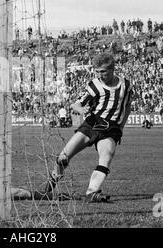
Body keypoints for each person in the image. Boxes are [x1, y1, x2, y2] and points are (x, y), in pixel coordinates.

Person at [44, 53, 133, 202]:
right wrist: (81, 110)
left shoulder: (126, 85)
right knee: (62, 158)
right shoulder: (94, 85)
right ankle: (52, 183)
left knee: (106, 156)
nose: (99, 75)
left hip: (110, 129)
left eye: (103, 71)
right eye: (97, 71)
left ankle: (92, 192)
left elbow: (128, 106)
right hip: (91, 124)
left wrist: (121, 128)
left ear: (113, 69)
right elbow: (76, 104)